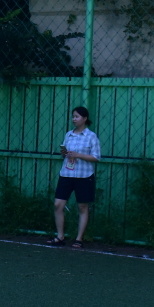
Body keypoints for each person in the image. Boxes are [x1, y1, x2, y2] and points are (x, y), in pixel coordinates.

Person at [50, 105, 101, 249]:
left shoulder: (91, 136)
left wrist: (78, 155)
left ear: (85, 119)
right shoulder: (69, 135)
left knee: (82, 206)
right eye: (73, 116)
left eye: (77, 116)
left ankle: (79, 239)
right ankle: (60, 236)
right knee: (58, 204)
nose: (74, 119)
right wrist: (65, 153)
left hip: (84, 176)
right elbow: (66, 154)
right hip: (67, 174)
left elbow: (96, 157)